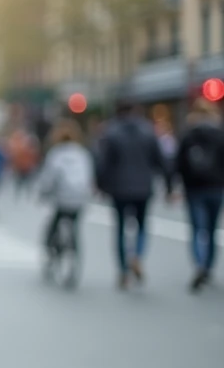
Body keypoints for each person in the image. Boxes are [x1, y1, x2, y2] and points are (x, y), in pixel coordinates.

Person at [95, 100, 171, 290]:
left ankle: (123, 269)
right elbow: (160, 160)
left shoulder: (111, 132)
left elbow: (103, 163)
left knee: (120, 228)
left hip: (119, 188)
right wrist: (169, 185)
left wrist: (100, 185)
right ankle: (137, 255)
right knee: (142, 226)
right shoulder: (148, 131)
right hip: (144, 187)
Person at [174, 98, 224, 292]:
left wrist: (174, 185)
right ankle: (208, 267)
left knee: (196, 229)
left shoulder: (189, 134)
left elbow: (179, 163)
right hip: (216, 187)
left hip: (194, 188)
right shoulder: (220, 133)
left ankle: (199, 264)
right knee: (211, 230)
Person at [36, 120, 95, 256]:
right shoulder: (83, 154)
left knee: (54, 223)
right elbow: (89, 176)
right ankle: (74, 247)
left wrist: (43, 193)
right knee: (74, 224)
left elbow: (48, 178)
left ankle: (51, 247)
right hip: (80, 197)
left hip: (62, 198)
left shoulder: (56, 154)